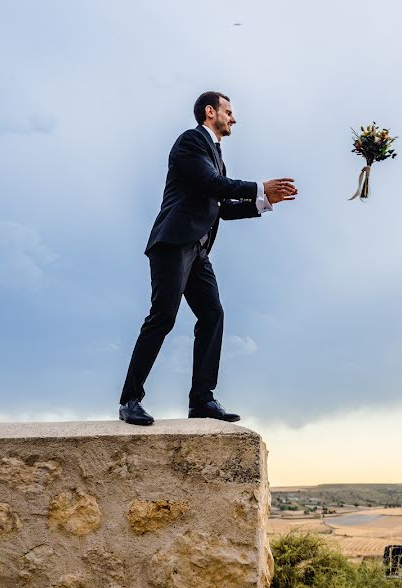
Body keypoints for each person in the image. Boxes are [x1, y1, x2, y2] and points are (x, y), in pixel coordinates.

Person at [118, 91, 297, 426]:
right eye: (229, 111)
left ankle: (201, 400)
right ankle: (130, 400)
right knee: (163, 317)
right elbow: (213, 184)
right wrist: (258, 186)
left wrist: (264, 201)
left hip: (198, 250)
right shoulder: (190, 142)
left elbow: (222, 209)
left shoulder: (217, 155)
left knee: (213, 314)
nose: (234, 118)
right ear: (210, 111)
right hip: (173, 243)